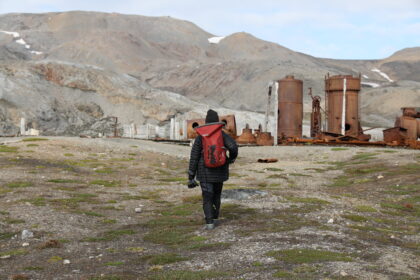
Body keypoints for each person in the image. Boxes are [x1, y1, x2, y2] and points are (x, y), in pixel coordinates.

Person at [187, 109, 238, 230]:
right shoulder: (222, 134)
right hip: (220, 171)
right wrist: (230, 159)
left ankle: (209, 223)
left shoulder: (201, 137)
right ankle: (215, 218)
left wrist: (191, 176)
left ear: (206, 121)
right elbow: (233, 147)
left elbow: (194, 156)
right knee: (217, 195)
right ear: (217, 121)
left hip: (204, 172)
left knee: (207, 196)